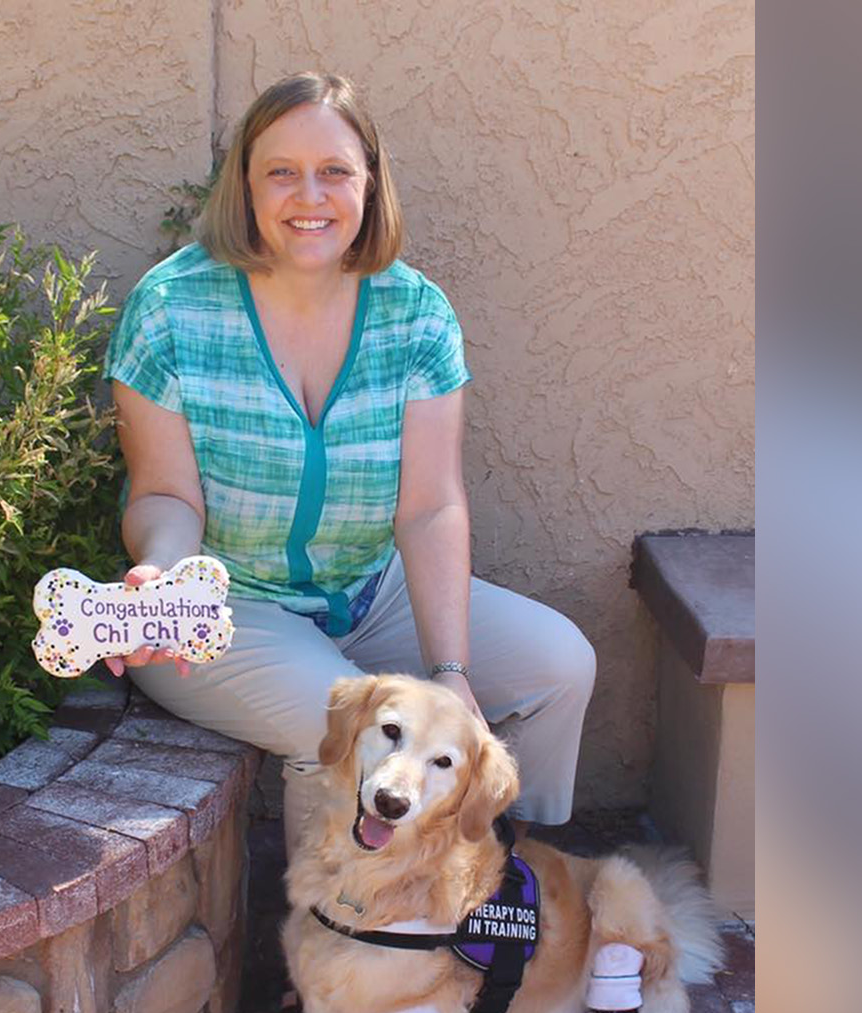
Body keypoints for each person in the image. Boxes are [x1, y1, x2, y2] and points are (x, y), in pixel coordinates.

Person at [101, 71, 595, 840]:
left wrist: (450, 674)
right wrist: (165, 579)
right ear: (246, 187)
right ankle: (340, 943)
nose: (310, 195)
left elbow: (430, 507)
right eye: (282, 172)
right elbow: (166, 495)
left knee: (559, 667)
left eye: (334, 171)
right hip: (231, 606)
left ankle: (503, 888)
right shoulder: (172, 310)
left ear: (369, 185)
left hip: (373, 590)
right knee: (353, 730)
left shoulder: (415, 313)